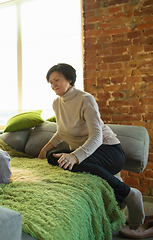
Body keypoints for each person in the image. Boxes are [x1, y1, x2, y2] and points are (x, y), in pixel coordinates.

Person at [37, 63, 145, 232]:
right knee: (53, 157)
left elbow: (97, 136)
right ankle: (114, 183)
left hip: (108, 150)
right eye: (50, 82)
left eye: (57, 80)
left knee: (72, 162)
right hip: (86, 152)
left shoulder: (85, 99)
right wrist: (45, 148)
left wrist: (75, 156)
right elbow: (62, 131)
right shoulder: (57, 103)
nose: (53, 85)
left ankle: (130, 194)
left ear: (70, 79)